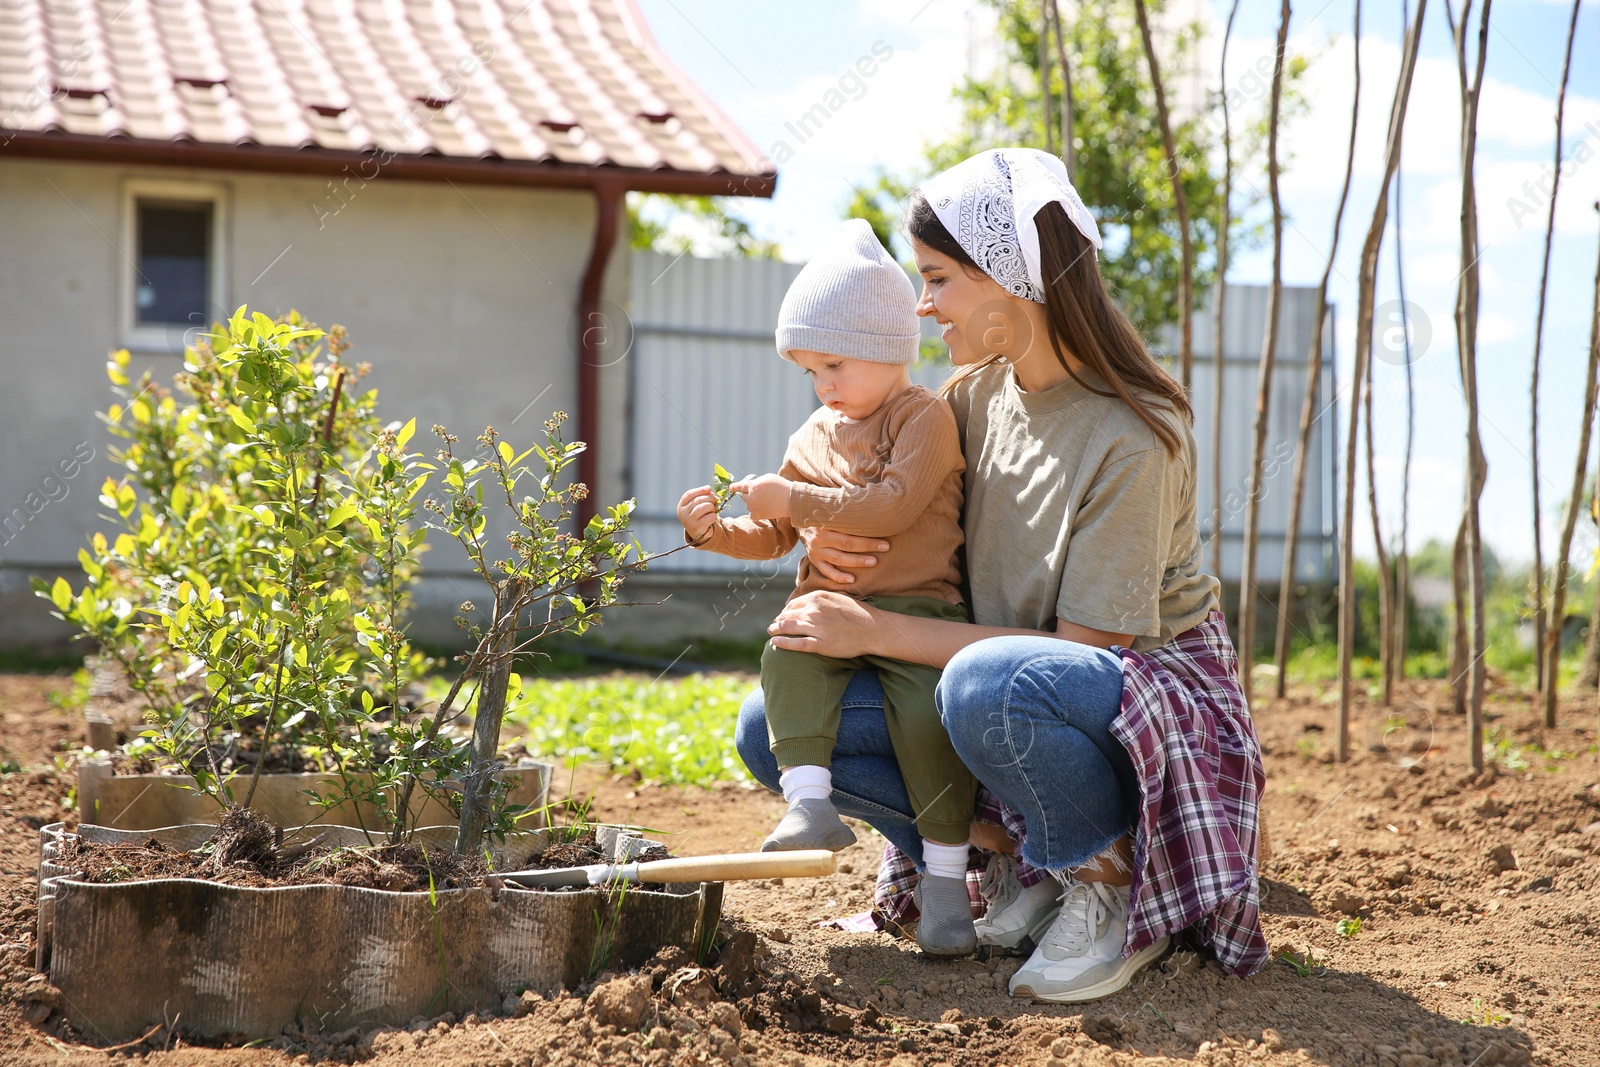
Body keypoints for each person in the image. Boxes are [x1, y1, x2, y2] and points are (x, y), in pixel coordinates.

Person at [735, 148, 1268, 1002]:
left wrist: (876, 632)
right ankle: (1022, 863)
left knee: (985, 686)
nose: (923, 303)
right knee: (772, 725)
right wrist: (820, 542)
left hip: (1137, 692)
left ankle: (1110, 880)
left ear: (1012, 279)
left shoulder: (1134, 434)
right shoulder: (972, 399)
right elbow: (891, 512)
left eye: (940, 278)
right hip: (993, 675)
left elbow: (1087, 648)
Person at [676, 219, 981, 957]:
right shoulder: (812, 435)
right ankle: (809, 801)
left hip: (917, 609)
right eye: (811, 372)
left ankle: (945, 889)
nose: (824, 386)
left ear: (887, 347)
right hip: (829, 610)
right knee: (786, 651)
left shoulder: (924, 418)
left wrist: (797, 503)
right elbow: (774, 538)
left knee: (924, 723)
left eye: (836, 365)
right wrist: (715, 533)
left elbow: (895, 505)